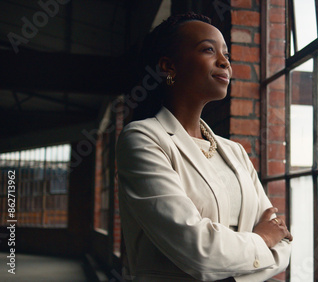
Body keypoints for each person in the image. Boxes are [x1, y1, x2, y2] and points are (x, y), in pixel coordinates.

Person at [116, 12, 293, 281]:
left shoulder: (235, 152)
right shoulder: (142, 138)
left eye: (227, 55)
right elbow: (198, 252)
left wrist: (236, 261)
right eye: (209, 50)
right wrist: (261, 239)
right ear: (168, 66)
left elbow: (283, 244)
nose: (225, 62)